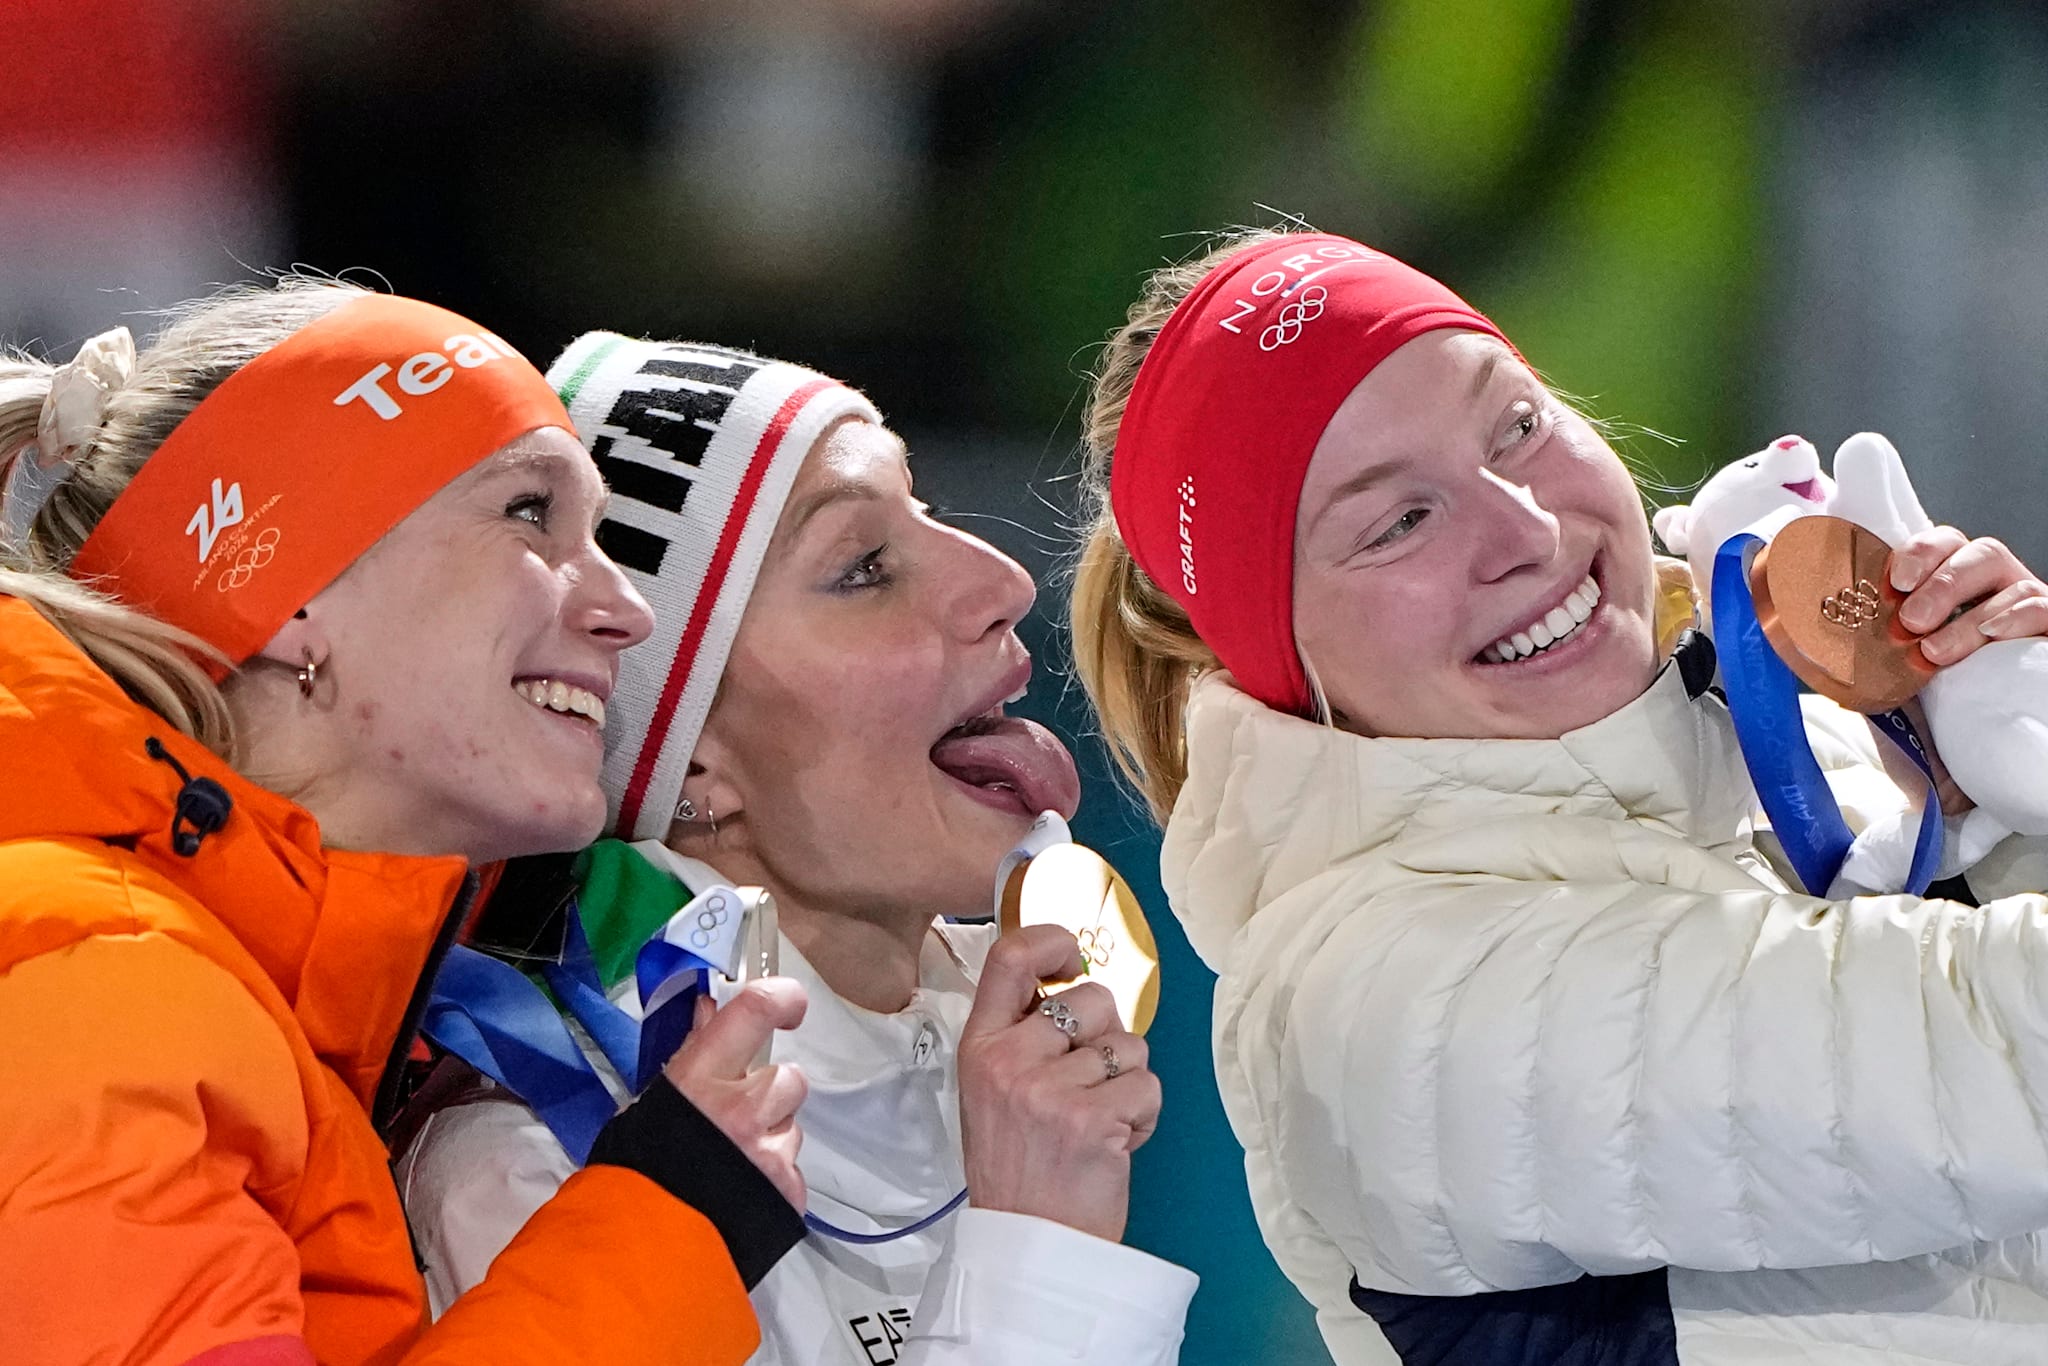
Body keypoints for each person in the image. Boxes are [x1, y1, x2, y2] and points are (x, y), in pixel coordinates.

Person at [1068, 228, 2048, 1365]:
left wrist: (2000, 788)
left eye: (1517, 426)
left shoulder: (1810, 743)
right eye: (1397, 523)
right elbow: (1992, 1056)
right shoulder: (1369, 999)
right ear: (1277, 656)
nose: (1527, 532)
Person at [0, 284, 821, 1365]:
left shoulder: (219, 999)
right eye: (529, 511)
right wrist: (665, 1227)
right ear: (287, 587)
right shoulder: (107, 977)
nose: (628, 610)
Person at [397, 333, 1198, 1365]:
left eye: (925, 509)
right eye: (863, 569)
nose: (1001, 581)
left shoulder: (1014, 1054)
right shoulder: (537, 1168)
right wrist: (1037, 1255)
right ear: (690, 763)